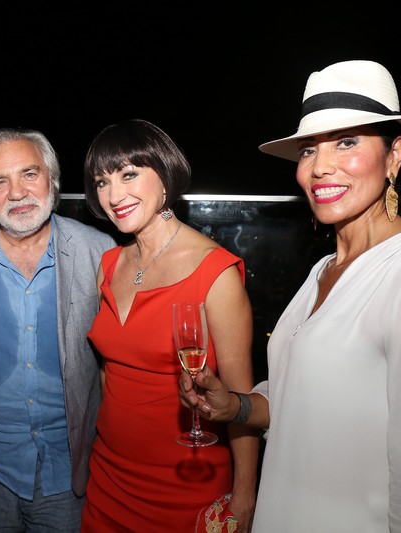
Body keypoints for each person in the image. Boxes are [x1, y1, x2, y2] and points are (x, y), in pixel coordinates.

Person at [180, 60, 401, 532]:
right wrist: (234, 406)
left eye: (347, 142)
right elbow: (302, 398)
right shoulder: (323, 269)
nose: (319, 167)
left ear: (394, 154)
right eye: (308, 150)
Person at [0, 127, 116, 531]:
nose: (17, 193)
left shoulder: (100, 251)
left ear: (52, 179)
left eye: (29, 174)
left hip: (70, 470)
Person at [80, 118, 259, 532]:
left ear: (165, 176)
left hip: (185, 485)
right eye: (102, 182)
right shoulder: (108, 265)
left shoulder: (216, 274)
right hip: (107, 479)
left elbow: (241, 399)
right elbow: (109, 373)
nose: (114, 196)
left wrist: (245, 497)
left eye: (128, 175)